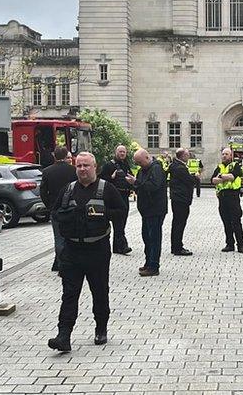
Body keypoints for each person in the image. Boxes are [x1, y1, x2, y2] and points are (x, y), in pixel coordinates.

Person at [48, 152, 127, 353]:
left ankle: (101, 328)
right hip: (72, 250)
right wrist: (67, 216)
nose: (82, 169)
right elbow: (55, 213)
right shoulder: (68, 190)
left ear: (95, 167)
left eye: (86, 166)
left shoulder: (106, 188)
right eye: (79, 166)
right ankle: (63, 335)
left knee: (99, 292)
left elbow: (121, 211)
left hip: (97, 249)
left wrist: (102, 214)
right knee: (69, 294)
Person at [127, 149, 167, 276]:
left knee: (154, 238)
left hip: (155, 209)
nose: (139, 164)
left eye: (140, 162)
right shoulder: (141, 171)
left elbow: (153, 186)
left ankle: (154, 266)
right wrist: (133, 184)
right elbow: (140, 188)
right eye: (137, 162)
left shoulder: (156, 169)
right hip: (145, 210)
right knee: (146, 237)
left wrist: (136, 183)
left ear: (147, 157)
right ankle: (148, 262)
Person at [99, 145, 133, 254]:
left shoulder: (125, 164)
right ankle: (122, 246)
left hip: (124, 195)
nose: (122, 154)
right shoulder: (109, 165)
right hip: (114, 197)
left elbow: (130, 176)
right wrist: (111, 177)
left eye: (124, 152)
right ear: (116, 152)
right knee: (118, 222)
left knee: (122, 222)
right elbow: (101, 179)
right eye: (120, 152)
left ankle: (117, 246)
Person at [212, 147, 243, 253]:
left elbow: (233, 176)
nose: (224, 156)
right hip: (222, 198)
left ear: (231, 156)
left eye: (226, 154)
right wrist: (223, 177)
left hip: (233, 197)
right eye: (223, 154)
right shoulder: (219, 167)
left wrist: (221, 176)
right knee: (226, 222)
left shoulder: (235, 165)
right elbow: (213, 180)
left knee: (236, 222)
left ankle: (241, 245)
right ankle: (229, 244)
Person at [167, 148, 195, 256]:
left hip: (177, 198)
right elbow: (189, 181)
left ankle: (175, 246)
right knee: (179, 223)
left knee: (176, 223)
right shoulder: (180, 168)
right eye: (187, 154)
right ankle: (178, 247)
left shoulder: (174, 165)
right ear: (182, 156)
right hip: (181, 199)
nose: (189, 156)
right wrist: (195, 177)